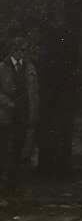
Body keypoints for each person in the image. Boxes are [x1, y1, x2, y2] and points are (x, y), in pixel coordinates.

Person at [0, 36, 38, 194]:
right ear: (11, 49)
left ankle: (12, 185)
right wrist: (5, 101)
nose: (19, 53)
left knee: (18, 150)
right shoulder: (2, 68)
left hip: (23, 115)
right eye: (16, 49)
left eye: (23, 50)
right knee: (2, 149)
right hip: (5, 115)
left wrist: (33, 115)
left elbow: (34, 94)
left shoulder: (30, 69)